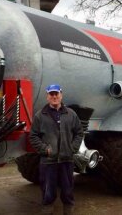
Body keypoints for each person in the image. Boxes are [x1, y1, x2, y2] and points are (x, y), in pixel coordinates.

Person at [29, 84, 83, 215]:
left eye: (56, 94)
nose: (54, 96)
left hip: (66, 160)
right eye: (51, 94)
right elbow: (33, 136)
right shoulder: (40, 115)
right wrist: (45, 150)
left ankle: (68, 212)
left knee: (68, 192)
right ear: (47, 97)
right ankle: (48, 211)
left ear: (61, 95)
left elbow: (79, 133)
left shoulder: (70, 114)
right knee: (48, 193)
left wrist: (72, 148)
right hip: (48, 162)